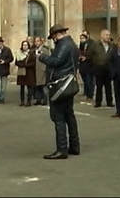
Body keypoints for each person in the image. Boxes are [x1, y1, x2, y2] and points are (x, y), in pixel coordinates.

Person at [38, 24, 80, 160]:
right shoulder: (72, 44)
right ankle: (74, 145)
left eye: (53, 37)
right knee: (69, 115)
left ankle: (61, 149)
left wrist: (42, 57)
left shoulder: (63, 44)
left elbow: (55, 61)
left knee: (58, 117)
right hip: (69, 83)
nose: (53, 40)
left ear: (57, 35)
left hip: (60, 86)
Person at [15, 40, 36, 106]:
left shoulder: (31, 53)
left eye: (26, 45)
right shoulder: (19, 53)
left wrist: (26, 65)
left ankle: (29, 101)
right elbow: (16, 62)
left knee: (29, 87)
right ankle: (22, 101)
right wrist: (21, 65)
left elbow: (33, 63)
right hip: (22, 72)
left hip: (29, 72)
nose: (25, 46)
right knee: (22, 87)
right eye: (24, 45)